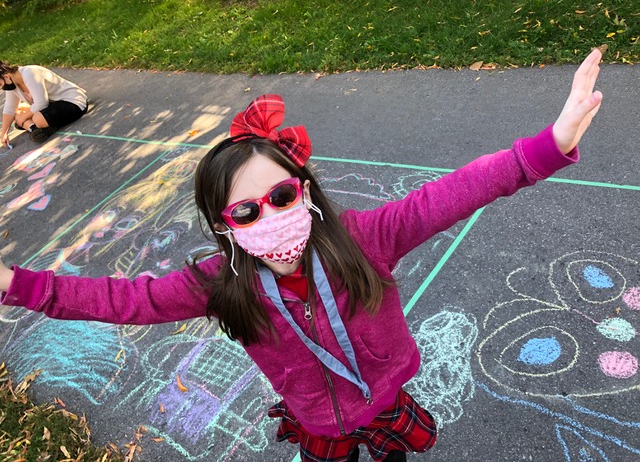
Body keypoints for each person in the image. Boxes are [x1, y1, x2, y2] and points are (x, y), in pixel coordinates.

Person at [0, 49, 603, 462]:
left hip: (386, 396)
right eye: (245, 212)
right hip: (317, 419)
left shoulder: (366, 238)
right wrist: (12, 282)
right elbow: (124, 300)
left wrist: (549, 146)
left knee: (394, 451)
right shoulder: (219, 282)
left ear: (305, 191)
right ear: (224, 227)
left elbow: (451, 194)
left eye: (281, 196)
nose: (268, 216)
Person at [0, 61, 88, 148]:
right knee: (18, 112)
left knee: (37, 118)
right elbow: (10, 108)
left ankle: (39, 126)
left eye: (0, 84)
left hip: (74, 102)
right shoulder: (11, 83)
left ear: (6, 76)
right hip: (52, 104)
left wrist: (23, 118)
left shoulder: (29, 73)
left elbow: (41, 103)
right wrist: (4, 133)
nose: (1, 88)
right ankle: (34, 128)